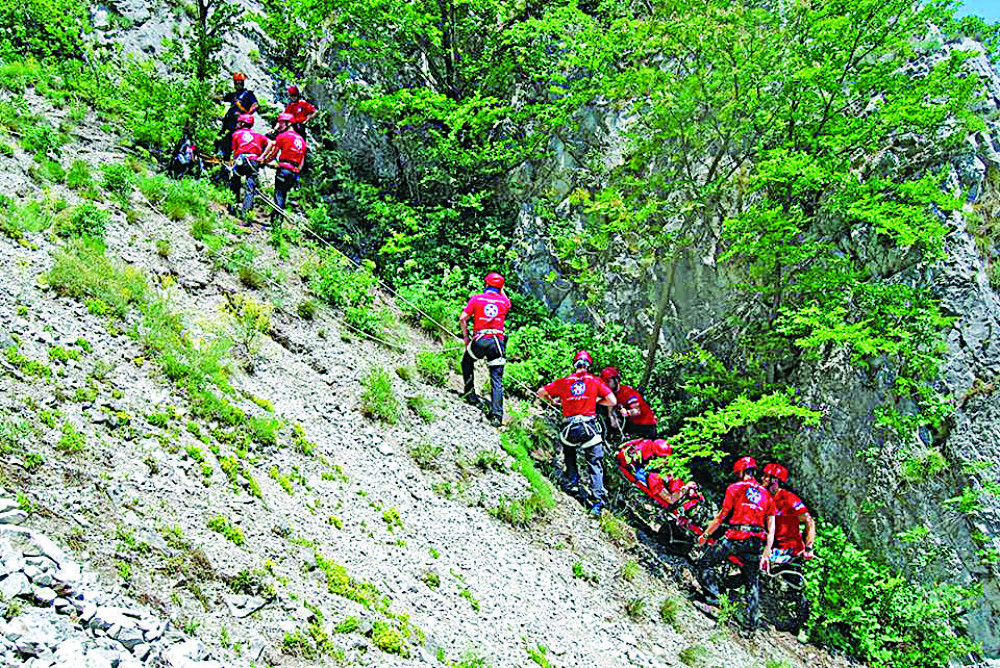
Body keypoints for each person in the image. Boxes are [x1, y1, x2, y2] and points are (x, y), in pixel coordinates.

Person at [695, 456, 775, 633]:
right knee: (752, 583)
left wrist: (705, 535)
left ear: (740, 472)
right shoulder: (767, 495)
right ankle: (752, 627)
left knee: (704, 563)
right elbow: (771, 528)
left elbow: (721, 517)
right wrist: (766, 553)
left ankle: (714, 601)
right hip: (756, 543)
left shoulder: (735, 488)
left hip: (736, 538)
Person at [537, 351, 617, 517]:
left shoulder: (564, 381)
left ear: (574, 364)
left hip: (569, 428)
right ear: (588, 366)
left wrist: (553, 401)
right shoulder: (595, 381)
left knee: (569, 448)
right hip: (588, 428)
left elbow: (540, 393)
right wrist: (596, 401)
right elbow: (612, 401)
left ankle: (573, 481)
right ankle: (596, 504)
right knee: (595, 463)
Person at [459, 272, 511, 427]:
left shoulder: (477, 299)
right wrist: (501, 289)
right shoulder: (503, 302)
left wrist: (466, 338)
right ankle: (496, 417)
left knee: (467, 361)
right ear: (500, 287)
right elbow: (508, 302)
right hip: (497, 342)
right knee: (497, 379)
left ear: (486, 284)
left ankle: (470, 394)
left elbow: (463, 318)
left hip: (480, 340)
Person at [617, 438, 698, 507]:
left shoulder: (646, 443)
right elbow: (671, 499)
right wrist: (686, 488)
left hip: (682, 491)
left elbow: (621, 446)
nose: (666, 461)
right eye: (664, 459)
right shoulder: (653, 478)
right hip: (678, 499)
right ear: (655, 458)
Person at [761, 463, 815, 564]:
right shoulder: (762, 497)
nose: (762, 478)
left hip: (789, 549)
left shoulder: (789, 498)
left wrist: (808, 548)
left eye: (766, 476)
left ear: (775, 480)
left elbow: (809, 522)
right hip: (772, 546)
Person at [260, 113, 308, 214]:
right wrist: (297, 171)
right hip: (294, 173)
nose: (279, 125)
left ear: (288, 124)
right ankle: (277, 221)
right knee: (283, 195)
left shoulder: (283, 136)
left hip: (284, 170)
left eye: (280, 123)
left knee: (279, 196)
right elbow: (302, 161)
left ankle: (276, 224)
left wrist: (264, 162)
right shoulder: (302, 140)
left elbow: (273, 154)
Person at [228, 114, 269, 217]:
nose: (237, 124)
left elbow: (235, 151)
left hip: (241, 160)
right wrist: (262, 157)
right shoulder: (258, 135)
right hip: (254, 161)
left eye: (239, 122)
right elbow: (270, 143)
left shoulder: (237, 134)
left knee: (235, 181)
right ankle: (245, 213)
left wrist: (232, 162)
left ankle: (232, 205)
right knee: (250, 188)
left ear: (242, 123)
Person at [599, 367, 657, 439]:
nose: (606, 385)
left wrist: (627, 412)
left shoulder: (628, 392)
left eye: (608, 381)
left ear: (616, 380)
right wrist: (612, 417)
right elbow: (610, 407)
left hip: (645, 425)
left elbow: (637, 411)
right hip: (631, 425)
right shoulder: (611, 394)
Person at [217, 72, 259, 159]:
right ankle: (222, 155)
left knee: (233, 138)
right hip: (229, 120)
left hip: (239, 121)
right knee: (223, 137)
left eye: (240, 82)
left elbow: (255, 105)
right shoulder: (233, 95)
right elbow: (222, 98)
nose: (238, 84)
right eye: (236, 83)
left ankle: (230, 157)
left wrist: (246, 115)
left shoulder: (248, 94)